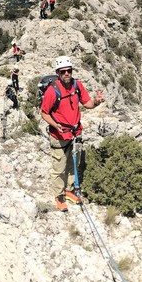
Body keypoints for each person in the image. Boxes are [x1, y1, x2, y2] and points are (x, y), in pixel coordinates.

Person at [39, 55, 104, 211]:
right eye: (63, 71)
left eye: (69, 70)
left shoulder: (77, 85)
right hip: (59, 135)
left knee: (72, 162)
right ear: (58, 73)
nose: (67, 73)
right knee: (59, 167)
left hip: (75, 133)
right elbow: (44, 113)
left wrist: (96, 102)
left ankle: (69, 190)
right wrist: (55, 125)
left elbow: (87, 103)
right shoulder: (52, 92)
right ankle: (59, 195)